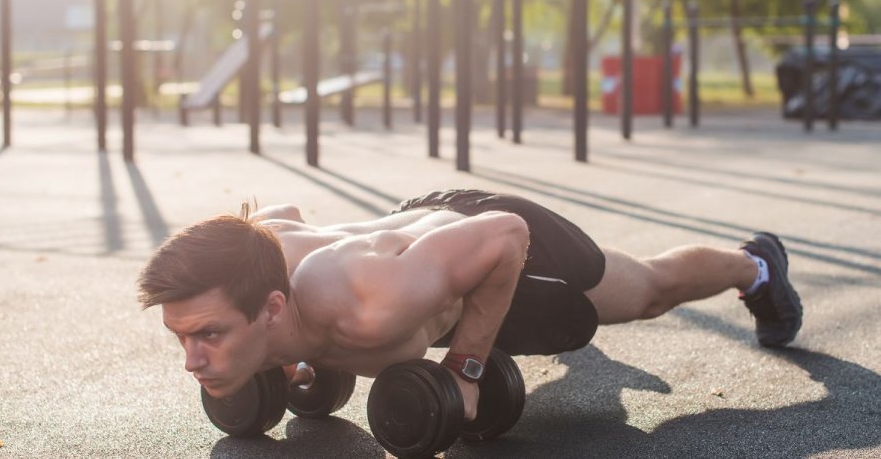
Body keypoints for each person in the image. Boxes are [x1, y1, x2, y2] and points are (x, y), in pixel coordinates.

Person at [137, 189, 803, 422]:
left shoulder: (368, 305)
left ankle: (757, 264)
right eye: (184, 338)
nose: (192, 360)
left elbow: (506, 237)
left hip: (480, 228)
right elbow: (279, 216)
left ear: (273, 306)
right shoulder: (252, 263)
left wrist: (465, 368)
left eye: (210, 336)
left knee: (644, 293)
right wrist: (279, 357)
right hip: (410, 244)